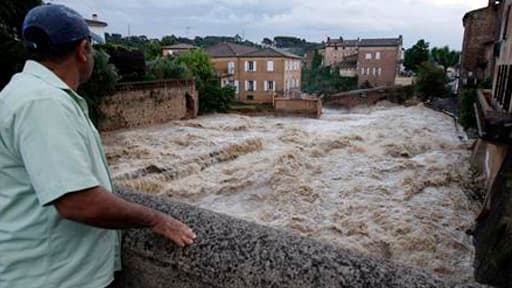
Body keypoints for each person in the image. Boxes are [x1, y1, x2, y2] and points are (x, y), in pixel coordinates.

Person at [0, 4, 196, 288]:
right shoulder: (44, 104)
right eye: (93, 49)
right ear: (83, 50)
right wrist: (157, 219)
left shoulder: (22, 91)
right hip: (55, 278)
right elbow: (77, 202)